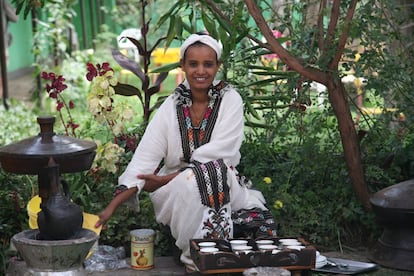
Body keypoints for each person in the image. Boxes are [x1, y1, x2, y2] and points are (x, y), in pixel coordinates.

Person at [95, 33, 276, 272]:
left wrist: (164, 179)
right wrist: (110, 208)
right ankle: (202, 261)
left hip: (226, 184)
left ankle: (207, 259)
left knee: (215, 178)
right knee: (199, 179)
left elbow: (222, 156)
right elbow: (143, 161)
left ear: (217, 67)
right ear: (183, 66)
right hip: (176, 194)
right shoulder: (171, 107)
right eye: (193, 64)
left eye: (208, 64)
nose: (200, 71)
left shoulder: (231, 99)